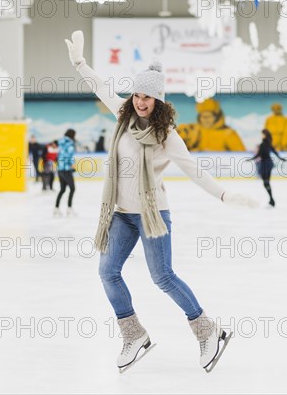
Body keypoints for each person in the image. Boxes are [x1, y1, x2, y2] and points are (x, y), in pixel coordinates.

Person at [64, 30, 259, 373]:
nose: (140, 101)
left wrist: (226, 195)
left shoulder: (166, 136)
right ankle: (134, 334)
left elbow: (194, 170)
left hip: (152, 214)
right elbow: (101, 87)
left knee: (163, 276)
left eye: (147, 97)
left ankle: (207, 329)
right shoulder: (122, 116)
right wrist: (80, 63)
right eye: (137, 94)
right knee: (107, 272)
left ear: (158, 100)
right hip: (121, 214)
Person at [177, 98, 246, 152]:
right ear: (199, 117)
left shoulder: (229, 134)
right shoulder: (192, 130)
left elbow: (241, 156)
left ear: (216, 117)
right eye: (203, 116)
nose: (206, 119)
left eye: (209, 116)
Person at [249, 129, 287, 208]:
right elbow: (275, 152)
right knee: (267, 182)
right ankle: (271, 200)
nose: (261, 135)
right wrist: (280, 158)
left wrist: (251, 159)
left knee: (265, 183)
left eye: (262, 134)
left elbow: (259, 154)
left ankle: (272, 200)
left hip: (264, 165)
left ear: (265, 135)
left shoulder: (263, 144)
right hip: (269, 164)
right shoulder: (268, 143)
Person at [54, 130, 77, 217]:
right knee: (72, 188)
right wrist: (72, 166)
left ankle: (56, 209)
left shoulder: (60, 142)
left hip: (60, 169)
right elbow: (70, 156)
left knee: (62, 189)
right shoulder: (70, 143)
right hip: (66, 169)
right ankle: (69, 209)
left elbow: (58, 155)